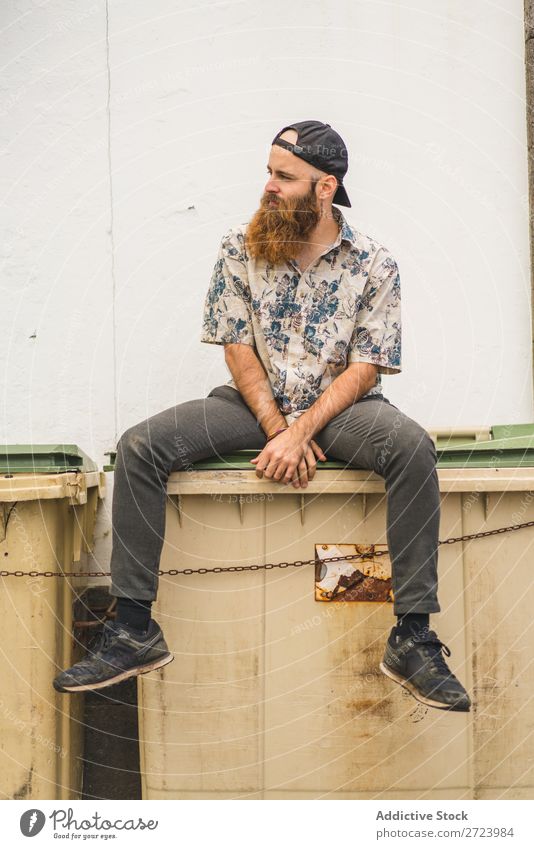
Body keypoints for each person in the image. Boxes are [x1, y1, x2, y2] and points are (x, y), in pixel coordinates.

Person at [53, 120, 471, 712]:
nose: (269, 186)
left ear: (325, 188)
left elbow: (367, 366)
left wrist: (302, 431)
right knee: (140, 447)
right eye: (268, 172)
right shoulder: (238, 246)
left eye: (285, 176)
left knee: (411, 450)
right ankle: (133, 629)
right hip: (253, 406)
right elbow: (236, 344)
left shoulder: (374, 263)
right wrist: (279, 430)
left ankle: (412, 636)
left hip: (343, 410)